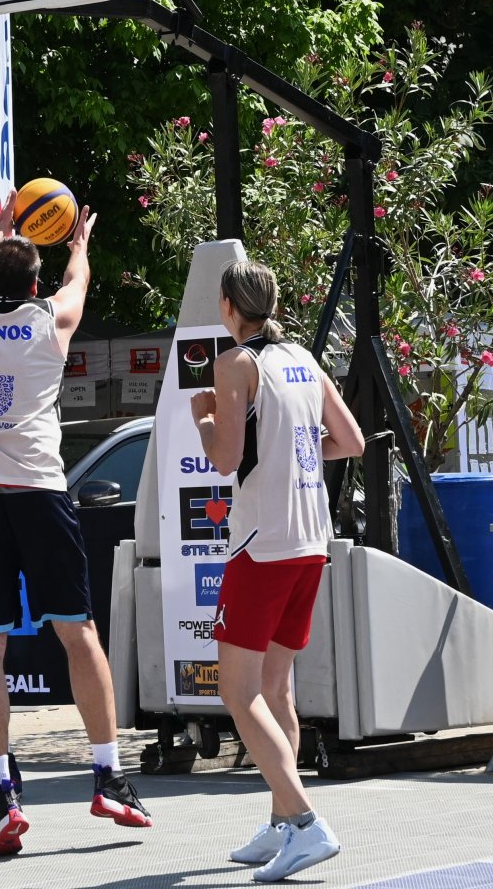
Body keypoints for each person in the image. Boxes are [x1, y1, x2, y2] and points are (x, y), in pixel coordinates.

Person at [0, 193, 151, 856]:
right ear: (33, 284)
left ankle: (0, 796)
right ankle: (109, 776)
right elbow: (76, 283)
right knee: (77, 632)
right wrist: (79, 243)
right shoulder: (50, 321)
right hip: (36, 489)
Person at [190, 260, 363, 883]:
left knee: (237, 694)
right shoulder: (303, 360)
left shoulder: (236, 364)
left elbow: (226, 457)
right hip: (310, 540)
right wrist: (293, 446)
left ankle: (306, 820)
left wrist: (204, 419)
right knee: (277, 687)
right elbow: (351, 443)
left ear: (228, 306)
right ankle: (283, 823)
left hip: (261, 546)